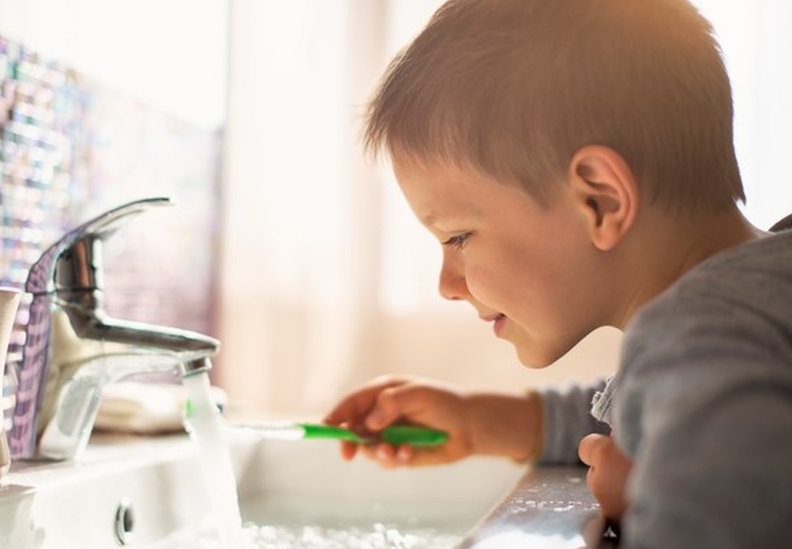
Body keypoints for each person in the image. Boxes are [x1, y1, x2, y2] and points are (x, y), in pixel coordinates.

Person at [323, 0, 792, 547]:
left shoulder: (700, 338)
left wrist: (645, 501)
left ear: (600, 200)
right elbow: (650, 401)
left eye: (458, 237)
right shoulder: (752, 305)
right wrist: (480, 422)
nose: (447, 285)